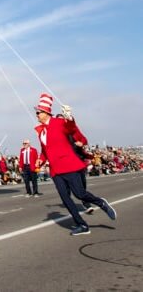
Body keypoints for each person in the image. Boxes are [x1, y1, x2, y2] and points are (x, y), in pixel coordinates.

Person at [33, 93, 116, 236]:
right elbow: (44, 150)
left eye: (38, 112)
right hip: (55, 170)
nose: (37, 115)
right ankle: (82, 225)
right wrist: (41, 159)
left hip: (69, 166)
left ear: (46, 112)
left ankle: (100, 203)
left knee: (80, 194)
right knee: (66, 199)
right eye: (36, 112)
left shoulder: (59, 122)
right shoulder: (41, 132)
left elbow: (71, 128)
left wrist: (69, 117)